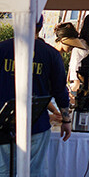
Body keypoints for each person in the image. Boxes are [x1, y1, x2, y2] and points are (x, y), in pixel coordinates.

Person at [0, 17, 71, 177]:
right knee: (35, 172)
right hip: (36, 124)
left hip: (4, 123)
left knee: (4, 171)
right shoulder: (51, 54)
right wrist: (66, 120)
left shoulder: (2, 49)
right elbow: (60, 91)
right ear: (40, 26)